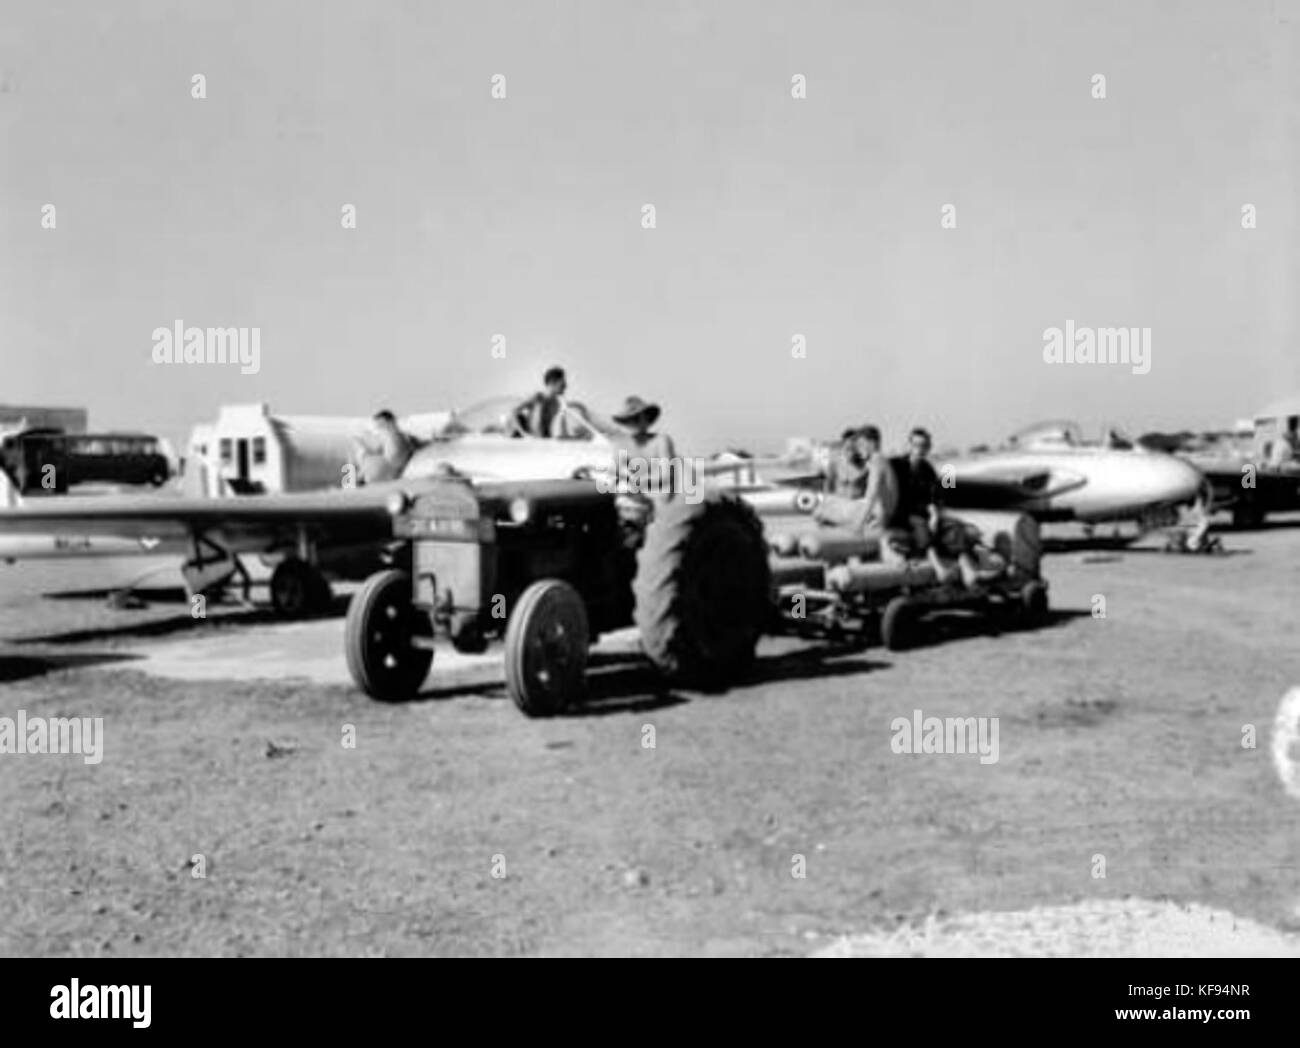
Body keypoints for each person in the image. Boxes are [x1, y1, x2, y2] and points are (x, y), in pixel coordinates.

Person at [351, 409, 414, 485]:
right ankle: (359, 480)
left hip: (388, 470)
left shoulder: (392, 436)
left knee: (364, 455)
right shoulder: (400, 436)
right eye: (379, 426)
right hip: (392, 470)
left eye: (381, 425)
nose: (379, 428)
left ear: (389, 422)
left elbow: (377, 451)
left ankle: (358, 481)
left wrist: (362, 444)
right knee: (365, 456)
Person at [515, 366, 571, 438]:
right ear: (552, 382)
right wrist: (523, 433)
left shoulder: (557, 403)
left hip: (544, 441)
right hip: (531, 440)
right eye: (562, 384)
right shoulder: (537, 398)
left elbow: (558, 427)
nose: (565, 386)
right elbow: (514, 411)